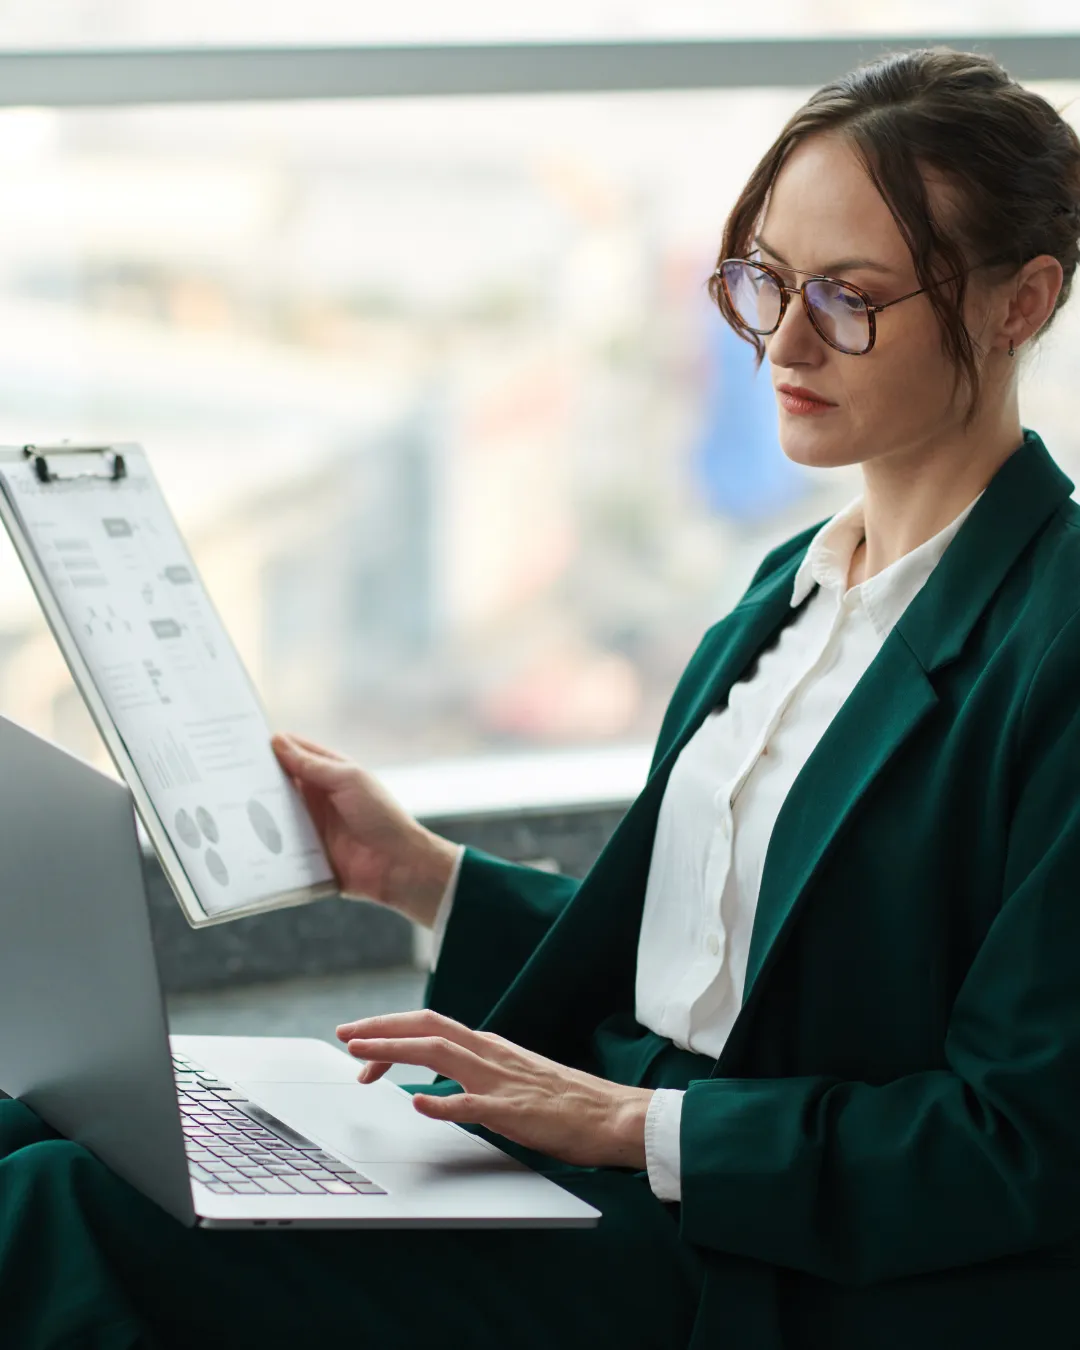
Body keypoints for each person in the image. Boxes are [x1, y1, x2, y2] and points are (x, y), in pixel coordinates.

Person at [4, 43, 1080, 1350]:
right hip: (620, 1148)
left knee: (63, 1214)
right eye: (764, 281)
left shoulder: (1052, 638)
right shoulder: (791, 589)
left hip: (759, 1250)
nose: (785, 342)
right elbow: (719, 970)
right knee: (39, 1123)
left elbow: (1022, 1141)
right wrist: (420, 874)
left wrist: (630, 1121)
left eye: (850, 298)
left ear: (1021, 301)